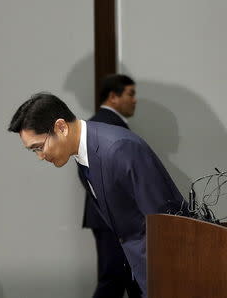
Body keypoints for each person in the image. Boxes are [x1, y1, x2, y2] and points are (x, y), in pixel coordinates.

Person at [7, 92, 187, 298]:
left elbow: (167, 223)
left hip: (164, 276)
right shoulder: (83, 155)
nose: (40, 156)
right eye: (33, 151)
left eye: (39, 147)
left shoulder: (119, 149)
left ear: (61, 127)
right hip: (138, 273)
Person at [81, 74, 141, 298]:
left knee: (127, 278)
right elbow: (89, 173)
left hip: (113, 217)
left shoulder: (101, 123)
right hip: (113, 218)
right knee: (114, 279)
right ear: (113, 97)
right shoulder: (104, 124)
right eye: (130, 94)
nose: (135, 100)